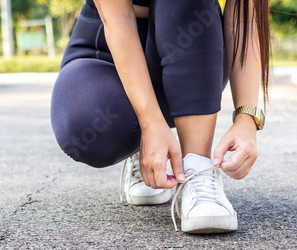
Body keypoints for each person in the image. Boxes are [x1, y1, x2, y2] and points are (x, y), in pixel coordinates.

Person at [50, 0, 270, 234]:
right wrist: (149, 122)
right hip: (107, 46)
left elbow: (245, 15)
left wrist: (247, 118)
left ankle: (197, 169)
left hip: (193, 40)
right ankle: (144, 148)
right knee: (87, 126)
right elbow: (118, 19)